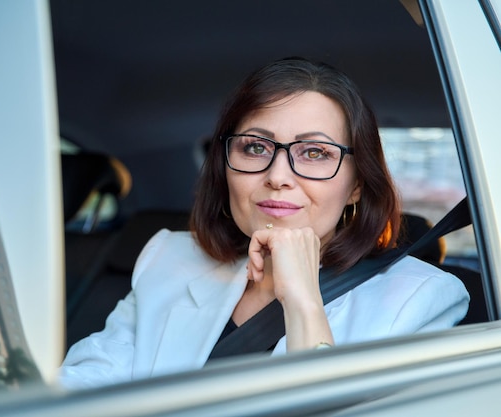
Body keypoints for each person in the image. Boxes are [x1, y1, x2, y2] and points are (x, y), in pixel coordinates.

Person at [59, 57, 469, 389]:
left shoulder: (421, 299)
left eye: (314, 153)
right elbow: (83, 386)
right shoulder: (169, 257)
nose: (278, 175)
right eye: (256, 147)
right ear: (225, 167)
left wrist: (304, 302)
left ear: (357, 184)